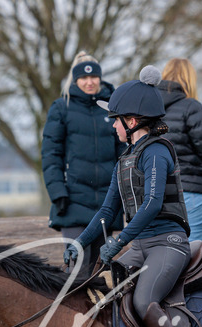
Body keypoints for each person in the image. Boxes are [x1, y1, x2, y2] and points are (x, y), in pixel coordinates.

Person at [63, 66, 200, 327]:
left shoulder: (157, 151)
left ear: (134, 120)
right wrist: (81, 243)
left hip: (168, 242)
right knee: (106, 297)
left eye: (116, 119)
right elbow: (106, 212)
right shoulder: (124, 160)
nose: (112, 125)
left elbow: (153, 205)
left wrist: (117, 242)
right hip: (140, 244)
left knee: (143, 299)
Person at [41, 52, 123, 280]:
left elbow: (123, 152)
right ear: (75, 80)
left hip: (107, 201)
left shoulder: (113, 106)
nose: (89, 82)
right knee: (75, 268)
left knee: (100, 269)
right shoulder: (61, 107)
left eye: (94, 77)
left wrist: (123, 192)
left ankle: (98, 316)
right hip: (73, 201)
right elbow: (51, 154)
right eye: (84, 78)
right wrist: (58, 192)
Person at [159, 58, 202, 243]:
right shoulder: (191, 106)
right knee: (191, 254)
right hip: (189, 189)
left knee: (163, 251)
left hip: (157, 192)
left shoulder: (149, 109)